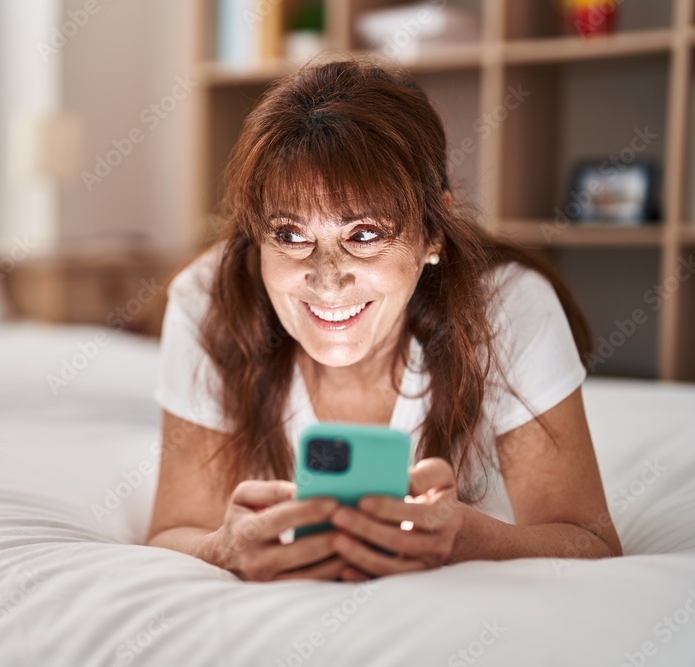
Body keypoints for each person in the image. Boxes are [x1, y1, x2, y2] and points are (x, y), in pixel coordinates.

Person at [146, 58, 622, 582]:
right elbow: (173, 533)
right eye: (288, 234)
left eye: (365, 233)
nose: (327, 281)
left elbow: (590, 541)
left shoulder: (510, 306)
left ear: (433, 233)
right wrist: (221, 549)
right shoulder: (206, 298)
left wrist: (470, 541)